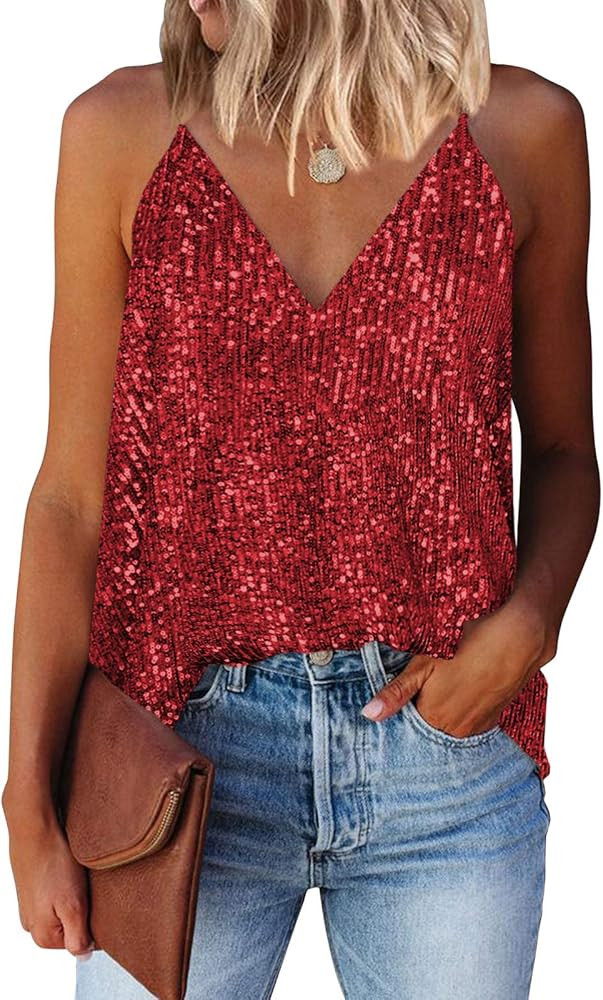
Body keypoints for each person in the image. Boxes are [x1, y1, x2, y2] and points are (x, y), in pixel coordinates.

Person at [2, 1, 599, 997]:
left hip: (444, 758)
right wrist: (25, 797)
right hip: (178, 755)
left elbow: (568, 452)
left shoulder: (522, 133)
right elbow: (69, 499)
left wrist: (531, 624)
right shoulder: (121, 132)